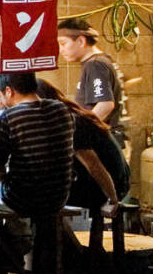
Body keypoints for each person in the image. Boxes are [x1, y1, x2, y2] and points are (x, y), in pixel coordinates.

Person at [36, 80, 129, 213]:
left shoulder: (71, 122)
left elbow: (93, 164)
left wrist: (112, 200)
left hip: (109, 186)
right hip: (108, 183)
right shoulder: (70, 116)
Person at [0, 73, 75, 219]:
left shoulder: (9, 117)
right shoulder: (62, 109)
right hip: (60, 196)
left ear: (9, 91)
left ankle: (15, 237)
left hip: (24, 200)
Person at [57, 17, 125, 145]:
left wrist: (80, 133)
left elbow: (105, 105)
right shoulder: (101, 60)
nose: (61, 50)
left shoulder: (95, 64)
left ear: (81, 41)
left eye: (63, 43)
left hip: (105, 142)